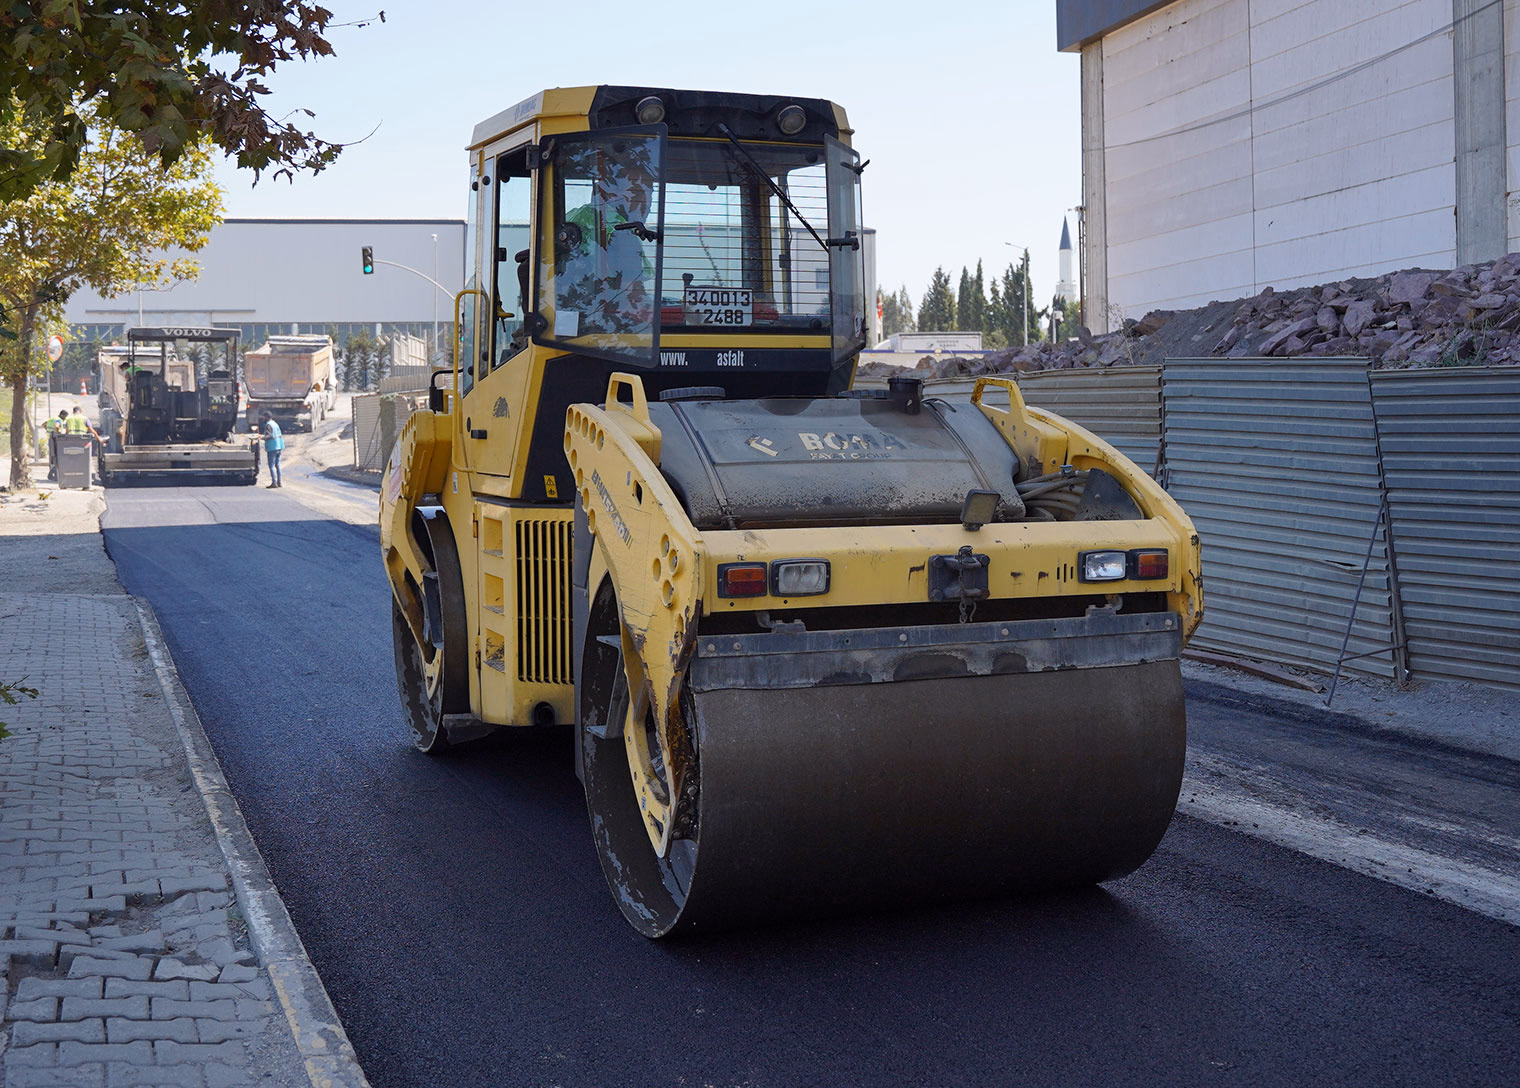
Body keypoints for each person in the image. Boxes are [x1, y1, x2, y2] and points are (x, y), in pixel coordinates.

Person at [259, 412, 284, 488]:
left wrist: (262, 437)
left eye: (264, 417)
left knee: (272, 465)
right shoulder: (275, 423)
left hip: (272, 447)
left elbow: (269, 436)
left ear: (266, 417)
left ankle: (274, 482)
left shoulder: (268, 425)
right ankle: (279, 482)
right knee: (278, 465)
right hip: (279, 446)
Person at [45, 409, 68, 479]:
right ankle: (55, 472)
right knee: (56, 455)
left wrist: (48, 430)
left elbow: (44, 424)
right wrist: (58, 433)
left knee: (52, 455)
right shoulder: (58, 420)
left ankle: (53, 472)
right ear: (62, 415)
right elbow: (57, 426)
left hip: (50, 437)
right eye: (65, 416)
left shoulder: (52, 418)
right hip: (55, 438)